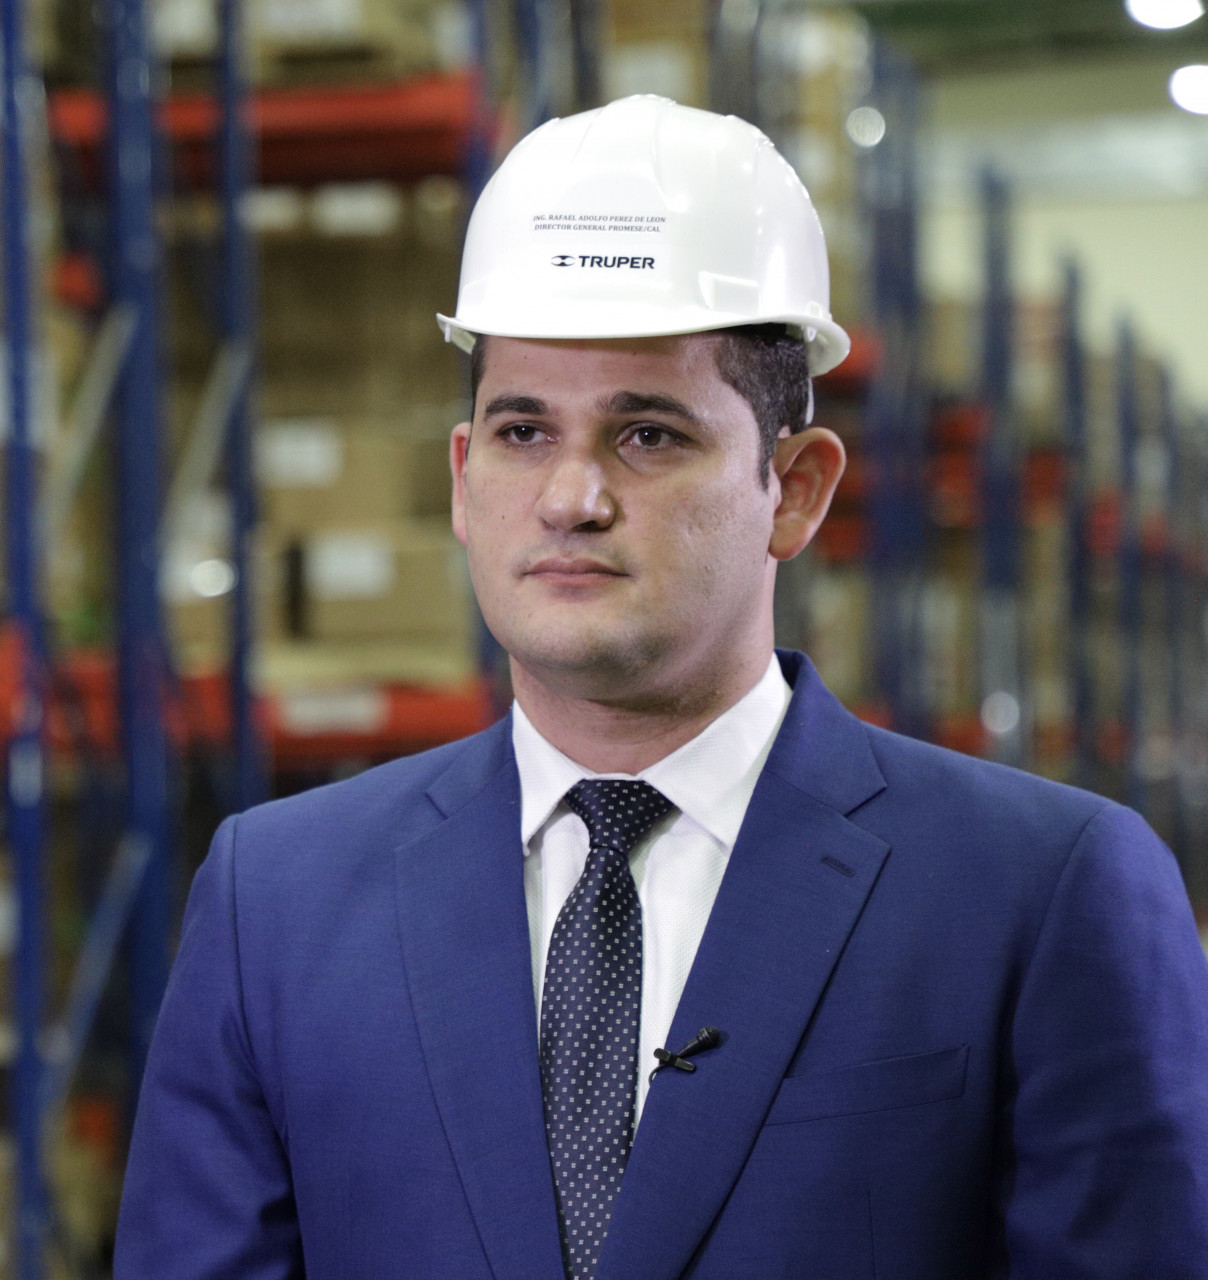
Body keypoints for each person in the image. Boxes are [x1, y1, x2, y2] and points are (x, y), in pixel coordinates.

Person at [113, 95, 1208, 1279]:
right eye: (524, 432)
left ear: (794, 488)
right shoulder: (274, 902)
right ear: (463, 478)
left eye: (648, 435)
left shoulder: (1041, 891)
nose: (571, 498)